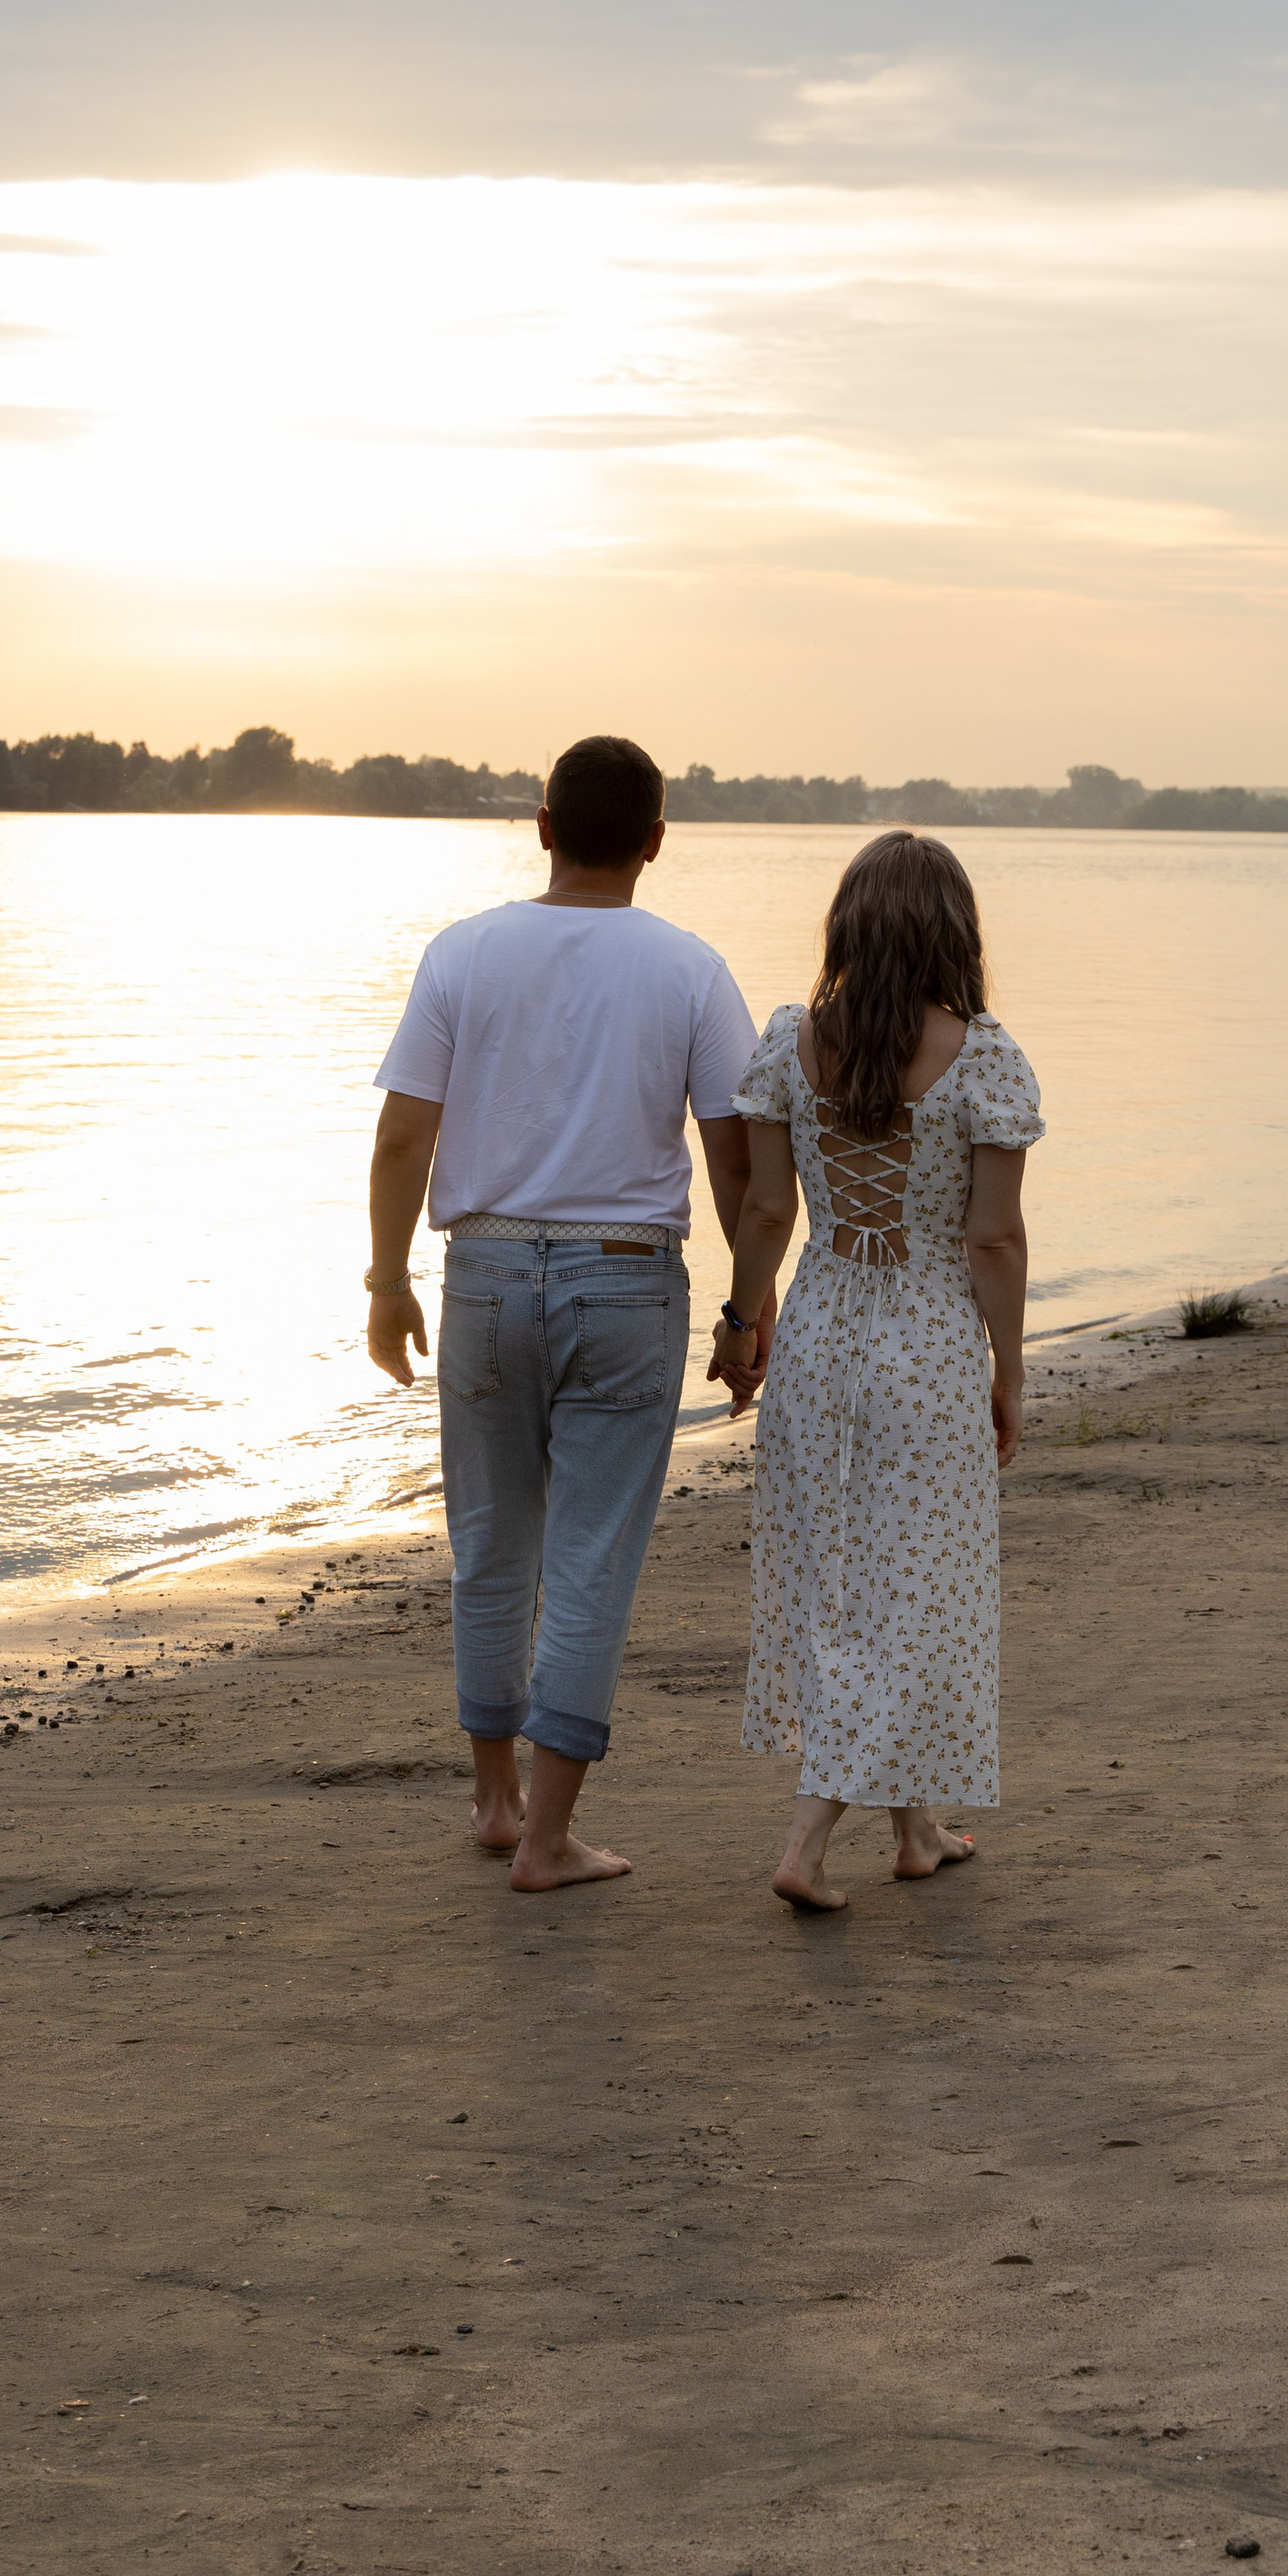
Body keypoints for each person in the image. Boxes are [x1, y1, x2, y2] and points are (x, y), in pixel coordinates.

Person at [364, 735, 762, 1890]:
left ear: (540, 825)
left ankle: (494, 1799)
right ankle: (547, 1838)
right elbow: (732, 1157)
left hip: (483, 1275)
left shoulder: (462, 953)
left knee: (490, 1547)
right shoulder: (689, 969)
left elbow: (402, 1134)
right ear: (654, 840)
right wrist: (746, 1305)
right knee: (589, 1559)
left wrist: (387, 1279)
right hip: (627, 1278)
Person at [710, 829, 1042, 1912]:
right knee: (918, 1584)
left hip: (820, 1332)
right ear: (954, 927)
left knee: (848, 1580)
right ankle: (807, 1840)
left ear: (846, 923)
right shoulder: (981, 1056)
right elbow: (991, 1240)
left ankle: (919, 1829)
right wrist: (1011, 1371)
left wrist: (742, 1323)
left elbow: (767, 1209)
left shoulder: (791, 1040)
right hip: (928, 1341)